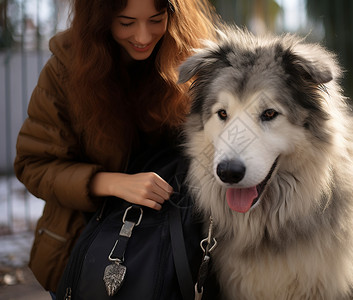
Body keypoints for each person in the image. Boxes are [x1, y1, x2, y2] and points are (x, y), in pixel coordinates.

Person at [14, 0, 217, 297]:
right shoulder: (65, 69)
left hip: (182, 250)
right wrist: (110, 182)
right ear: (100, 18)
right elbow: (33, 164)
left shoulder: (194, 58)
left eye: (156, 19)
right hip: (86, 249)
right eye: (126, 23)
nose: (144, 36)